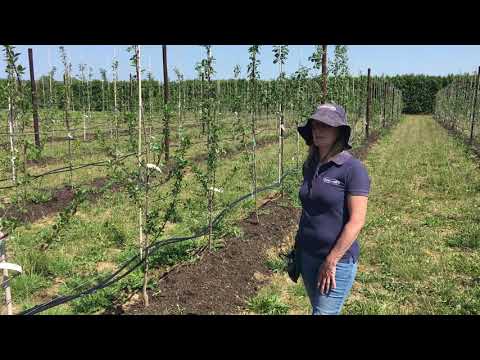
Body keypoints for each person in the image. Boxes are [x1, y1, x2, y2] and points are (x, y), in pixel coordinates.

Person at [295, 103, 370, 315]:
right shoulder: (311, 165)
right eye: (315, 125)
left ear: (339, 132)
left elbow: (357, 221)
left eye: (326, 126)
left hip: (336, 261)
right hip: (308, 255)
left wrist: (331, 260)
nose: (318, 131)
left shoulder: (352, 169)